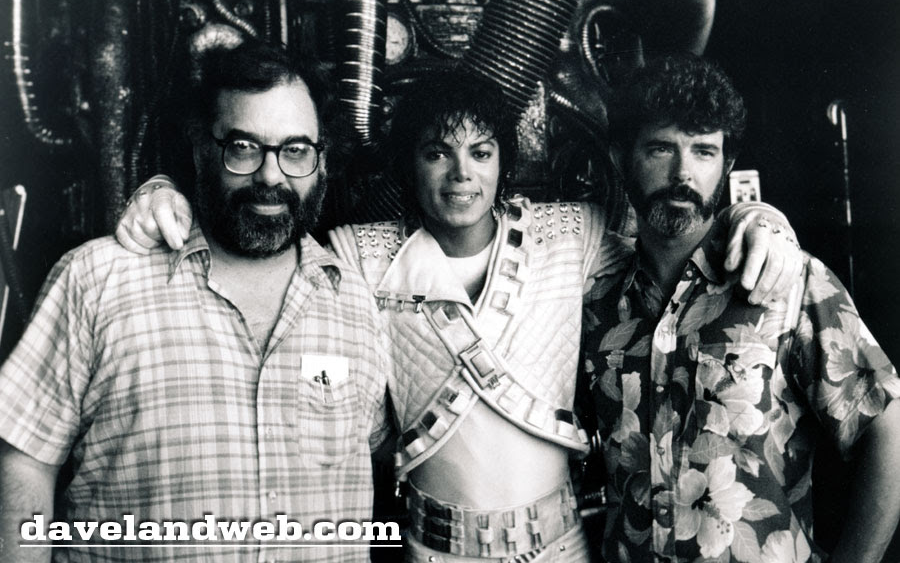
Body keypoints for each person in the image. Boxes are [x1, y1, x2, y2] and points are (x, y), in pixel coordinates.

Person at [116, 68, 803, 562]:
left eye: (480, 152)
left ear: (504, 161)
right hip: (430, 547)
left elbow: (673, 232)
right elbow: (259, 242)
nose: (461, 175)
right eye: (437, 153)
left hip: (563, 544)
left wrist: (760, 217)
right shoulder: (359, 252)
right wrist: (162, 194)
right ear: (408, 166)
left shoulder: (573, 232)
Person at [0, 40, 392, 563]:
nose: (271, 175)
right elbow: (25, 461)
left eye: (296, 150)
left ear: (322, 163)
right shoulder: (97, 279)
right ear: (201, 149)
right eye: (244, 147)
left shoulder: (354, 302)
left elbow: (378, 457)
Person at [579, 53, 900, 562]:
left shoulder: (789, 283)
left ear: (726, 166)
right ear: (621, 158)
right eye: (661, 148)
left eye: (703, 151)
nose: (683, 173)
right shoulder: (596, 302)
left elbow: (887, 426)